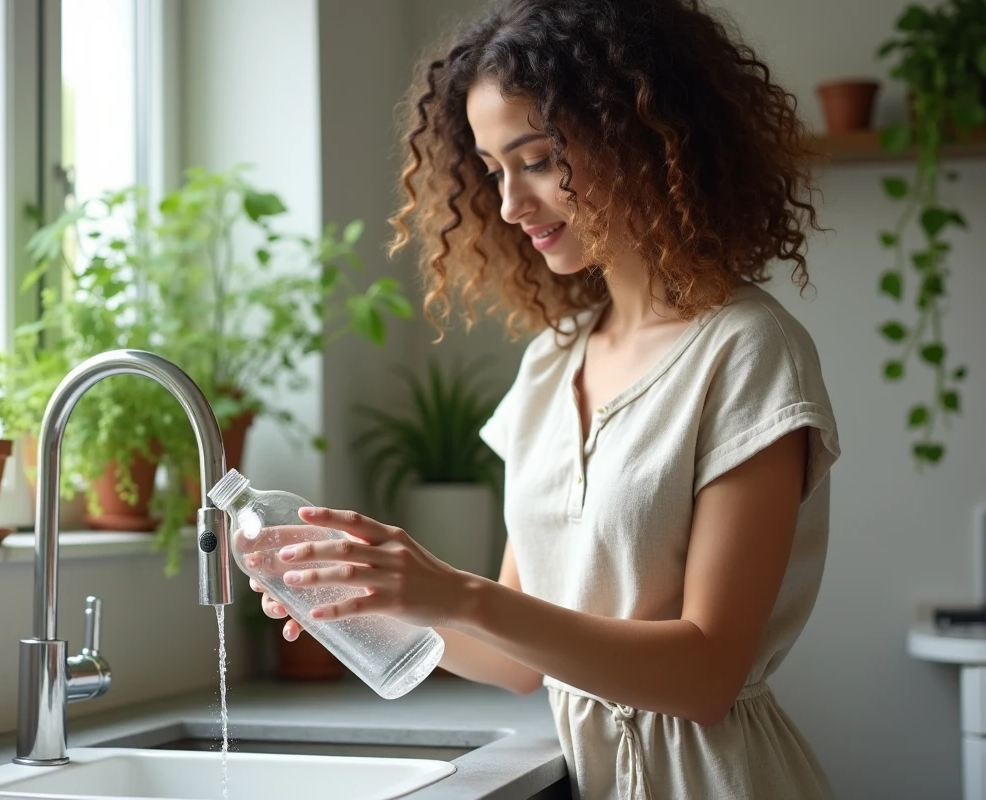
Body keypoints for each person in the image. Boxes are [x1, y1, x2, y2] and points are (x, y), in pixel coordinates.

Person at [249, 0, 841, 797]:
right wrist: (360, 599)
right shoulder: (546, 367)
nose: (507, 205)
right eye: (493, 171)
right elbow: (514, 657)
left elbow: (706, 674)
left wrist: (453, 590)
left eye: (534, 159)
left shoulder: (748, 351)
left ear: (637, 133)